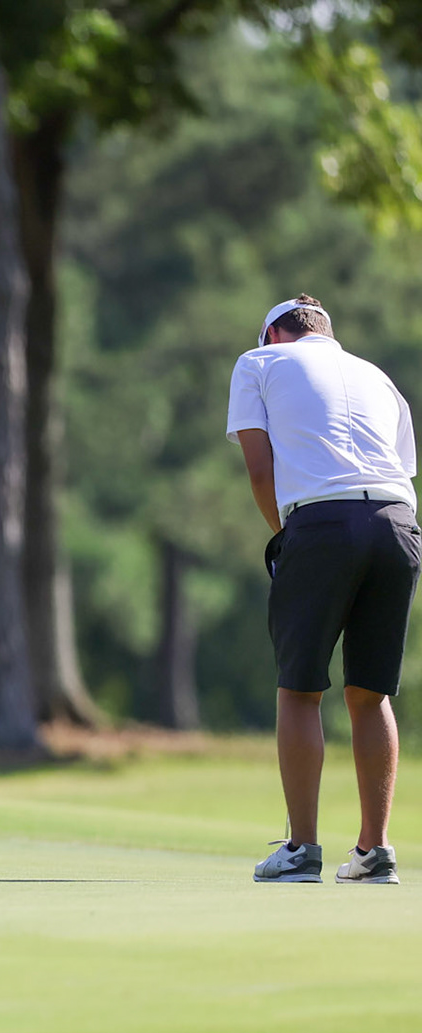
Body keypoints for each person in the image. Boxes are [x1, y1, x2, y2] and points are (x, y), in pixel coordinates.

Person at [230, 294, 417, 885]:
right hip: (399, 524)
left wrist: (288, 537)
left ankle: (301, 850)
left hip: (321, 523)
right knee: (371, 694)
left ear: (274, 335)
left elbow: (262, 471)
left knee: (299, 689)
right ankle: (374, 852)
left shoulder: (258, 364)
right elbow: (399, 469)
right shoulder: (377, 376)